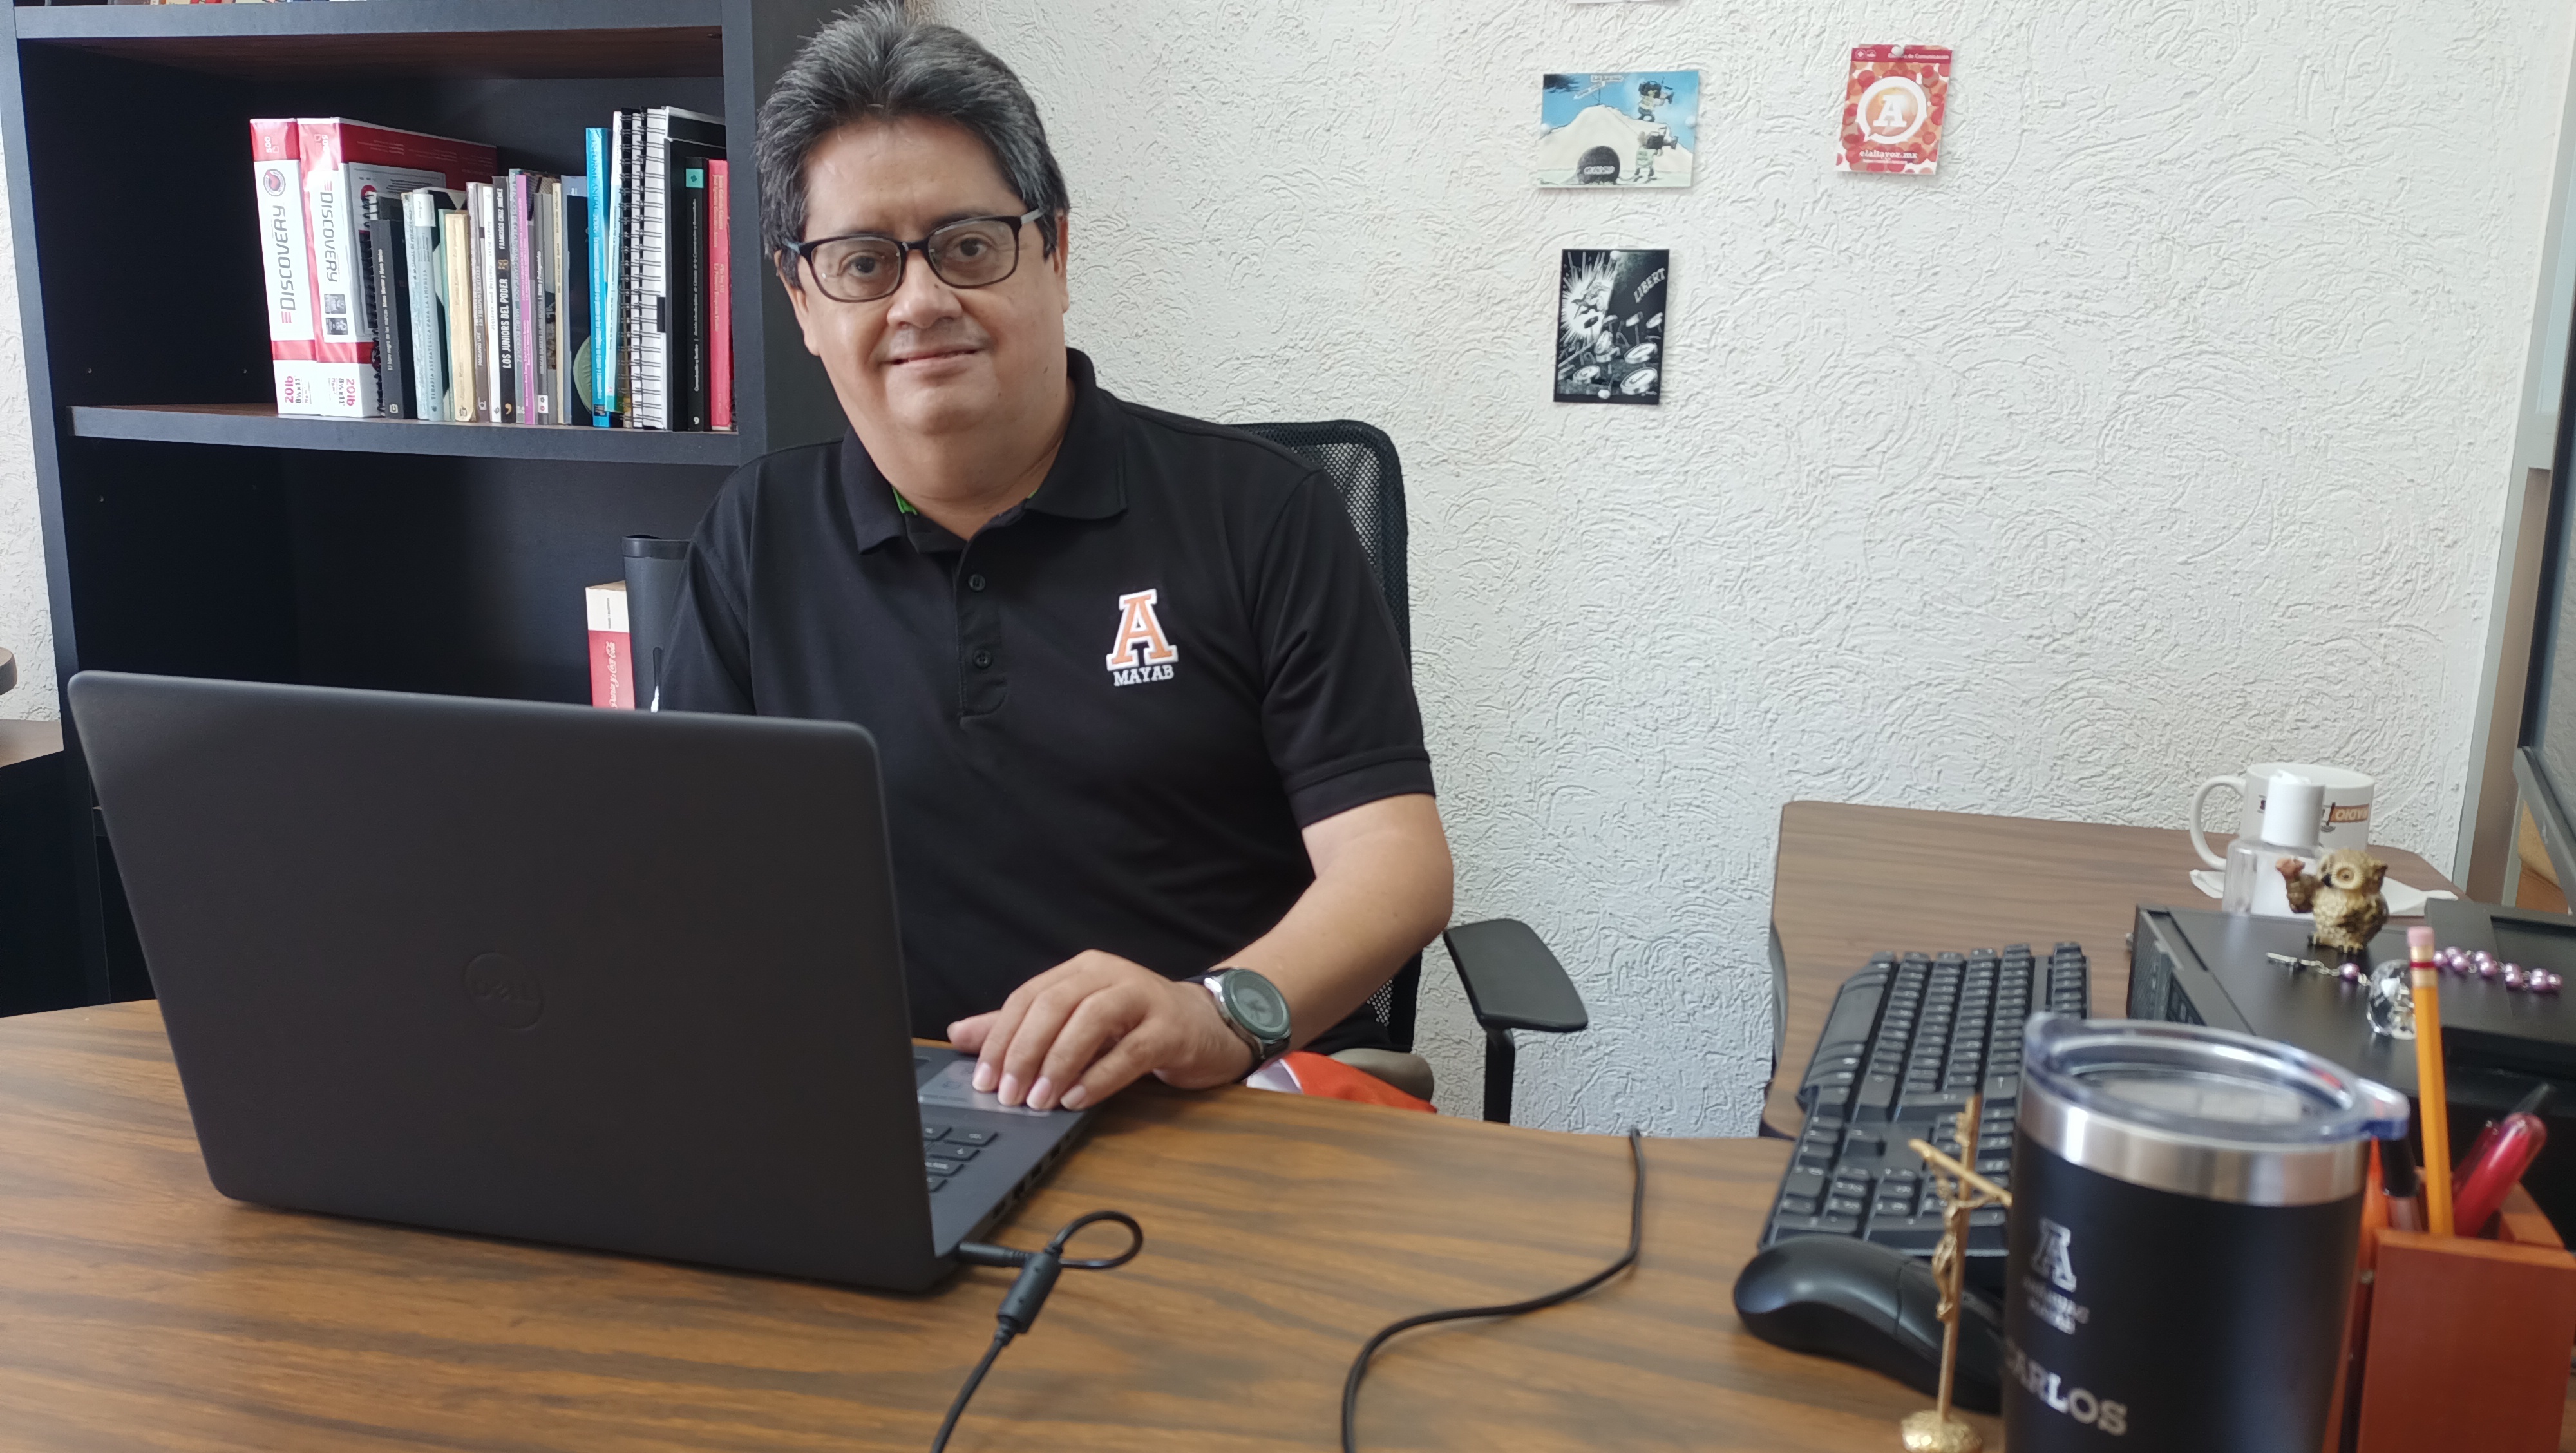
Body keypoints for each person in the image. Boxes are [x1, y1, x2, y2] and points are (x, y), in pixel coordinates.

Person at [660, 8, 1454, 1115]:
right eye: (863, 264)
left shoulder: (1263, 512)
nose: (921, 302)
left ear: (1056, 254)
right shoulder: (758, 532)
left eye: (968, 246)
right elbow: (691, 873)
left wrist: (1216, 1015)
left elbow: (1395, 866)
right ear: (803, 302)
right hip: (894, 1114)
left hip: (1222, 1104)